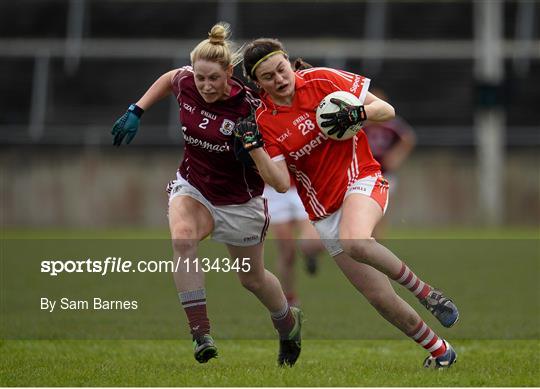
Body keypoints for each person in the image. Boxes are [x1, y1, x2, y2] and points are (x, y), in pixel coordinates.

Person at [235, 38, 459, 368]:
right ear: (258, 83)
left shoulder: (322, 80)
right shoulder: (266, 121)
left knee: (355, 240)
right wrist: (255, 149)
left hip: (361, 180)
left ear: (288, 62)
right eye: (268, 77)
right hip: (324, 211)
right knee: (379, 297)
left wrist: (358, 112)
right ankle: (441, 351)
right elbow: (281, 184)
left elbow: (387, 111)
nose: (279, 79)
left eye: (281, 69)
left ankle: (428, 293)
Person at [110, 24, 302, 367]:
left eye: (213, 78)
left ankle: (288, 323)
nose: (205, 85)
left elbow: (278, 162)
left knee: (252, 279)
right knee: (183, 240)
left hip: (239, 201)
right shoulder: (186, 81)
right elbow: (170, 78)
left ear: (229, 73)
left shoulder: (251, 107)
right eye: (200, 78)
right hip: (194, 186)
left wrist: (253, 152)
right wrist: (137, 109)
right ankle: (201, 334)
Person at [362, 87, 417, 237]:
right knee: (367, 209)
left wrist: (396, 156)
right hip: (365, 174)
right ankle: (370, 238)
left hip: (385, 174)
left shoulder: (392, 124)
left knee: (379, 209)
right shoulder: (361, 125)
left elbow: (408, 138)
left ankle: (376, 239)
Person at [264, 179, 325, 307]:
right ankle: (289, 298)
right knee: (287, 253)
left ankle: (309, 254)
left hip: (301, 186)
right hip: (275, 191)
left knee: (314, 242)